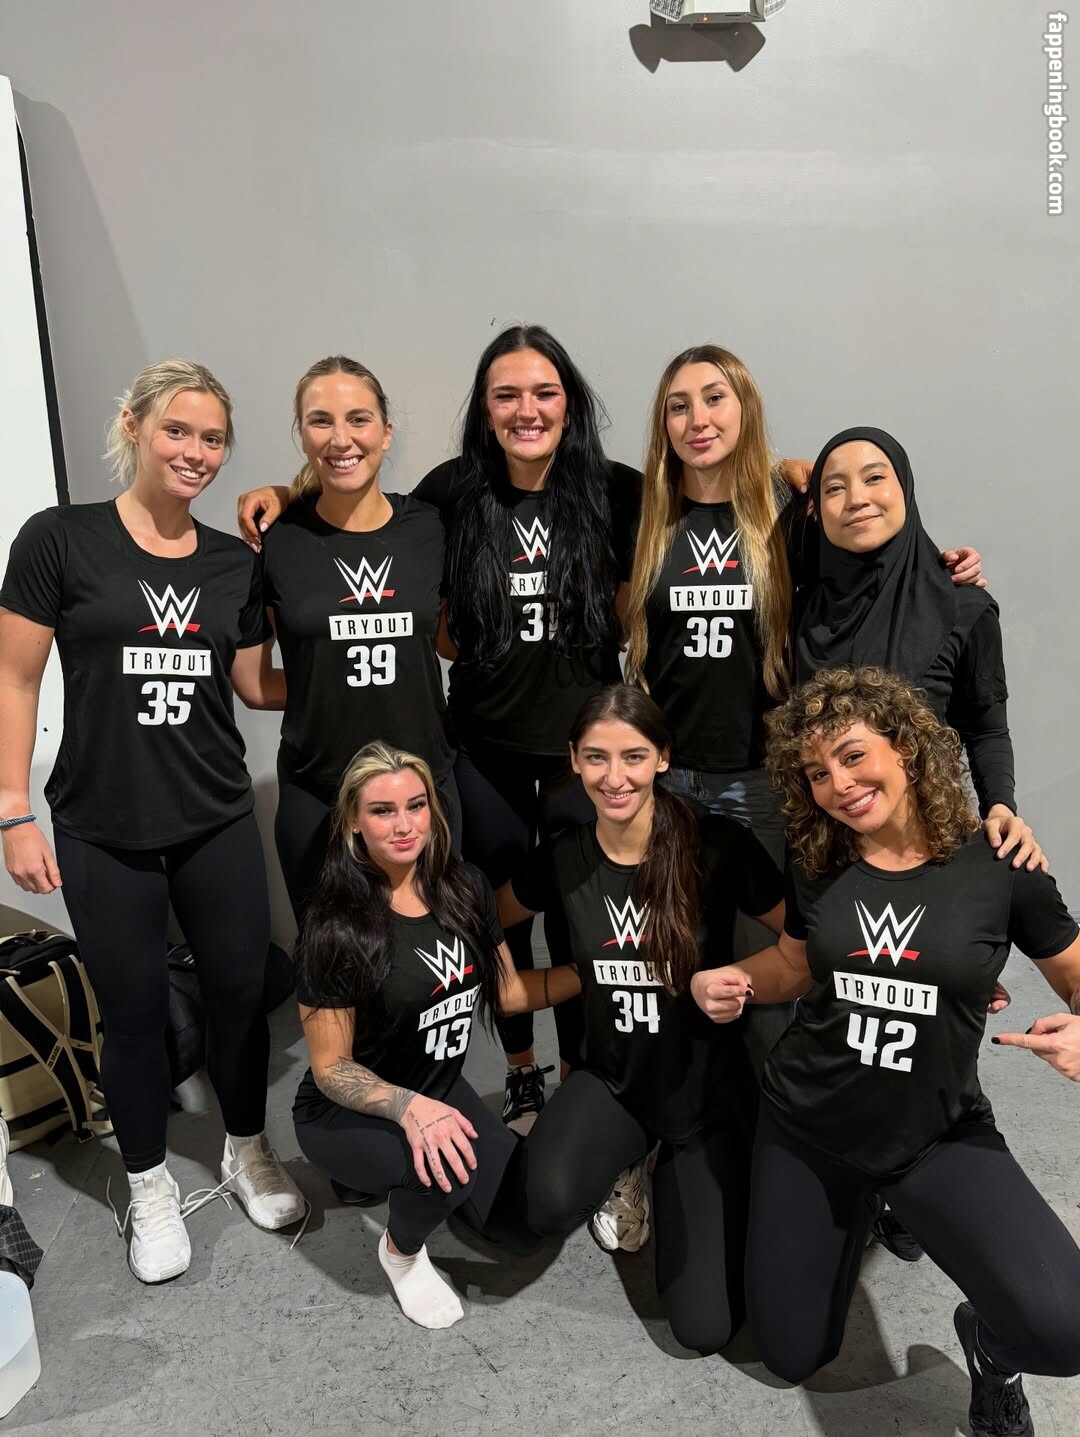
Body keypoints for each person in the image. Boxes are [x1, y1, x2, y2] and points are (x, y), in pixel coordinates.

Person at [239, 324, 641, 1131]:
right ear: (484, 407)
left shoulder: (619, 489)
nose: (526, 409)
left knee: (580, 918)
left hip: (582, 755)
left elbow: (700, 504)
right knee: (492, 920)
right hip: (483, 749)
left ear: (570, 401)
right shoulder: (452, 493)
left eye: (544, 392)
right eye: (505, 394)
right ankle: (520, 1073)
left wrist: (789, 472)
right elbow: (358, 509)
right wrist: (285, 493)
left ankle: (584, 1081)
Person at [691, 666, 1080, 1434]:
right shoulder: (819, 859)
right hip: (809, 1126)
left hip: (933, 1136)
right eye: (816, 772)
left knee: (1065, 1330)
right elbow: (796, 963)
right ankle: (863, 1209)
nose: (837, 783)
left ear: (904, 745)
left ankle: (987, 1349)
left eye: (851, 754)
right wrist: (730, 977)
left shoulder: (999, 863)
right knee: (793, 1352)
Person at [0, 360, 305, 1284]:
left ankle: (245, 1147)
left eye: (213, 438)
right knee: (131, 1015)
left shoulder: (231, 562)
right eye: (178, 430)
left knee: (240, 996)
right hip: (102, 823)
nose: (195, 452)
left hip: (213, 813)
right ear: (133, 425)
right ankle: (147, 1184)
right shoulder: (60, 539)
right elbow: (14, 678)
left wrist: (351, 653)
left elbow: (256, 685)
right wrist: (11, 812)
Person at [623, 351, 995, 1071]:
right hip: (671, 778)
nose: (698, 418)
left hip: (763, 778)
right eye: (679, 405)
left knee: (773, 969)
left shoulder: (786, 518)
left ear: (746, 408)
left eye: (715, 398)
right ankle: (678, 1114)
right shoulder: (647, 517)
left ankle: (777, 1116)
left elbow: (870, 541)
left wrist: (944, 567)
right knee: (675, 952)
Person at [499, 685, 784, 1352]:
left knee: (704, 1327)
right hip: (613, 1079)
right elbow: (488, 912)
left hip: (703, 1092)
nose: (614, 776)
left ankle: (677, 1167)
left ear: (662, 757)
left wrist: (741, 981)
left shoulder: (716, 844)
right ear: (574, 759)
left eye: (633, 756)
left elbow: (801, 943)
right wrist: (533, 987)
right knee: (543, 1203)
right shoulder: (564, 856)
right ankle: (627, 1155)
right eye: (596, 757)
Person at [293, 740, 579, 1329]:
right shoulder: (335, 925)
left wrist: (594, 974)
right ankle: (400, 1252)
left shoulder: (464, 886)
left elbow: (509, 994)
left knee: (525, 1227)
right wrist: (408, 1108)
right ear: (353, 821)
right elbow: (331, 1068)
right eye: (383, 811)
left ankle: (415, 1182)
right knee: (447, 1167)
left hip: (438, 1089)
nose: (405, 826)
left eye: (416, 805)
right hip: (346, 1106)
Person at [261, 355, 457, 923]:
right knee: (330, 956)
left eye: (358, 419)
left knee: (432, 952)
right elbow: (252, 683)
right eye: (320, 421)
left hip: (422, 785)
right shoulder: (276, 539)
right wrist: (324, 686)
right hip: (318, 788)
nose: (341, 438)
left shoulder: (430, 525)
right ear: (302, 435)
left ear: (386, 432)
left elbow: (447, 642)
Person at [795, 426, 1041, 867]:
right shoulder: (797, 611)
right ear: (817, 509)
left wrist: (1001, 807)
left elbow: (985, 728)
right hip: (820, 854)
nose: (856, 499)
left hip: (928, 848)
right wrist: (782, 469)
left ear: (905, 489)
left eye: (874, 478)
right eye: (834, 488)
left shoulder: (963, 607)